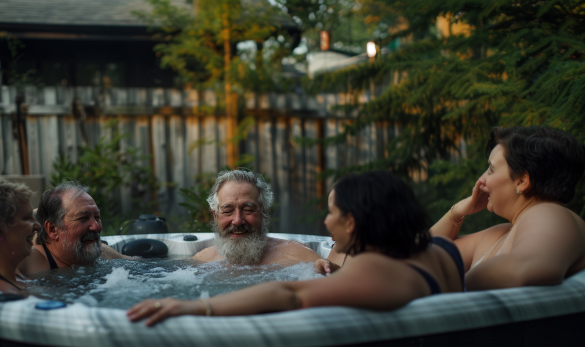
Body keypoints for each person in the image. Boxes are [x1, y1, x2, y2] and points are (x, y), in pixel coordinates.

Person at [128, 171, 465, 326]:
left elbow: (291, 295)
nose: (325, 224)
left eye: (332, 214)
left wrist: (193, 309)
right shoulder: (436, 249)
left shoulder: (376, 268)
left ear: (353, 221)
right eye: (228, 211)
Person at [430, 126, 585, 290]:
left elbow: (525, 270)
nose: (481, 180)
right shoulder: (500, 233)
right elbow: (424, 257)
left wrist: (449, 287)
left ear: (522, 181)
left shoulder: (552, 214)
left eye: (491, 169)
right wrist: (456, 213)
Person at [192, 169, 320, 266]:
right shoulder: (202, 261)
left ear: (264, 213)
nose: (237, 221)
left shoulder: (298, 257)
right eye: (228, 211)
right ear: (215, 216)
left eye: (248, 210)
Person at [18, 181, 133, 275]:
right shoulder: (29, 262)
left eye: (97, 217)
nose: (96, 227)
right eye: (83, 218)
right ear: (53, 229)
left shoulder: (103, 254)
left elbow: (144, 267)